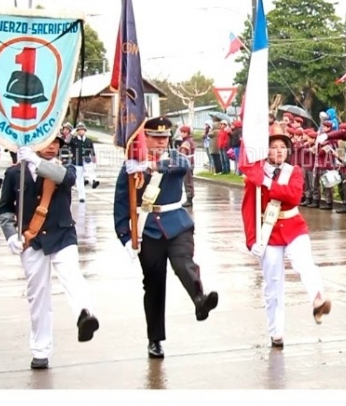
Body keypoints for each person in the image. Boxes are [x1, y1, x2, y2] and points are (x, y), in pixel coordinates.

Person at [114, 117, 219, 359]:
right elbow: (121, 205)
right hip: (148, 229)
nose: (161, 142)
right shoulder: (130, 167)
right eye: (155, 137)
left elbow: (181, 166)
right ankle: (155, 339)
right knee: (153, 284)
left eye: (164, 137)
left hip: (177, 224)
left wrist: (151, 167)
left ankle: (199, 299)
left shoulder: (174, 158)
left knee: (184, 262)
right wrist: (124, 237)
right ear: (145, 138)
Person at [0, 136, 100, 370]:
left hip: (63, 234)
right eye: (47, 142)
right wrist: (11, 234)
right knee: (38, 295)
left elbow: (67, 178)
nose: (53, 146)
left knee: (72, 275)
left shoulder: (65, 168)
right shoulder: (15, 173)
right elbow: (4, 210)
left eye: (56, 143)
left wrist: (36, 161)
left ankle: (85, 315)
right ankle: (40, 350)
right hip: (32, 239)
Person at [241, 130, 332, 348]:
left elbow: (293, 195)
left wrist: (268, 184)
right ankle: (276, 332)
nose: (279, 151)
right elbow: (248, 209)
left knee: (304, 262)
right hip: (268, 232)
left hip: (293, 226)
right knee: (273, 283)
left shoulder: (295, 171)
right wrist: (251, 240)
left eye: (283, 147)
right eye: (273, 147)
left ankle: (318, 299)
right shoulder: (256, 175)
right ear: (265, 151)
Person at [68, 122, 99, 202]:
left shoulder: (89, 141)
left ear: (85, 131)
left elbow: (92, 151)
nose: (81, 131)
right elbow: (66, 142)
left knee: (90, 171)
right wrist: (71, 133)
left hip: (86, 160)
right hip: (77, 161)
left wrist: (94, 159)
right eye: (79, 130)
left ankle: (93, 181)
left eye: (82, 130)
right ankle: (81, 197)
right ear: (77, 131)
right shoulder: (73, 140)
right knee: (79, 180)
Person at [178, 125, 196, 207]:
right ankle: (189, 198)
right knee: (188, 181)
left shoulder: (187, 142)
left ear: (187, 133)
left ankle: (189, 199)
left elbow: (183, 152)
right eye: (181, 132)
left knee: (188, 181)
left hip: (187, 163)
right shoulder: (187, 140)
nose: (182, 134)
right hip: (189, 162)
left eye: (184, 132)